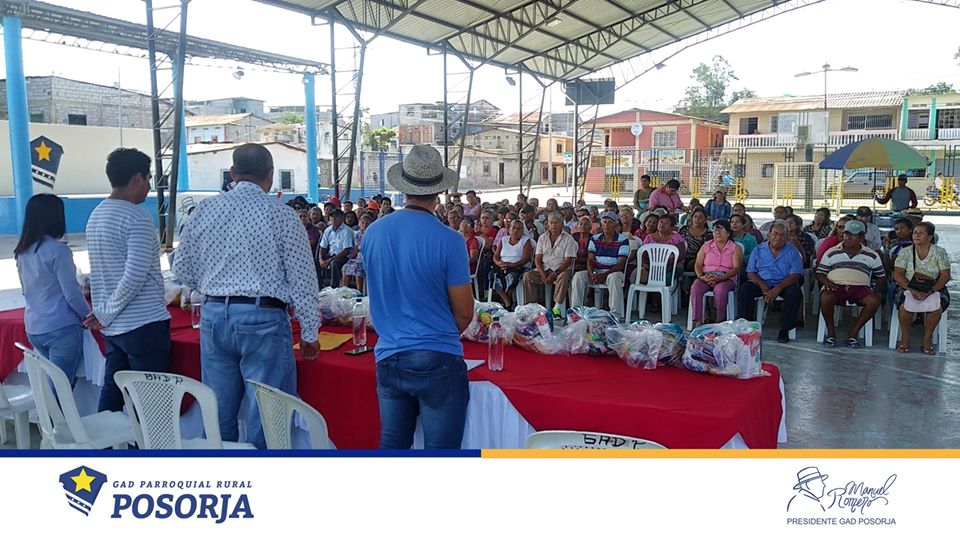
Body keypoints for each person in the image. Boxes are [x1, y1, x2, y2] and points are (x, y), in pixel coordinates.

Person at [173, 144, 320, 448]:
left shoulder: (204, 210)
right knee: (265, 411)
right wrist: (309, 332)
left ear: (232, 173)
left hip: (214, 315)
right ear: (271, 175)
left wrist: (213, 287)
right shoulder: (282, 215)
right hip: (262, 318)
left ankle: (221, 464)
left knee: (218, 406)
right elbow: (303, 280)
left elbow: (182, 268)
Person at [362, 144, 474, 449]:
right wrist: (437, 334)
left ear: (404, 187)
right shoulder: (449, 240)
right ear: (438, 191)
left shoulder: (373, 233)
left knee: (393, 446)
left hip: (389, 353)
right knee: (441, 454)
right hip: (437, 354)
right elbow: (465, 313)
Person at [86, 148, 171, 413]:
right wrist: (105, 312)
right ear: (137, 178)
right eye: (148, 178)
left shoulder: (96, 214)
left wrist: (105, 313)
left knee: (113, 393)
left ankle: (103, 438)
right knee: (151, 404)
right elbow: (134, 276)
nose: (149, 186)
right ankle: (146, 441)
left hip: (114, 327)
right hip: (142, 324)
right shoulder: (136, 217)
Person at [15, 194, 90, 386]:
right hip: (62, 328)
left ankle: (47, 407)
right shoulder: (59, 250)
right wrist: (89, 316)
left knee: (49, 387)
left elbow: (26, 290)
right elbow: (71, 294)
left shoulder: (22, 252)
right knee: (60, 389)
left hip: (34, 327)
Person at [816, 220, 885, 348]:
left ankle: (853, 333)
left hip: (860, 288)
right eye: (846, 233)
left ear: (862, 237)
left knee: (874, 301)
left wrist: (875, 290)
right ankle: (831, 333)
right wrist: (827, 282)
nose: (847, 237)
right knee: (826, 297)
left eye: (853, 235)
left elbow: (881, 276)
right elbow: (820, 272)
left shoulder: (872, 255)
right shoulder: (832, 252)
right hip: (836, 285)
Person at [737, 222, 803, 343]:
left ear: (787, 237)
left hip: (783, 283)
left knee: (795, 292)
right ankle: (745, 328)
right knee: (745, 289)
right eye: (775, 234)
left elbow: (795, 275)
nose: (778, 237)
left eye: (782, 235)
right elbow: (750, 273)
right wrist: (763, 287)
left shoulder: (792, 251)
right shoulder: (758, 250)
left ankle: (785, 329)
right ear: (769, 235)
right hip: (761, 282)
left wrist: (778, 288)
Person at [892, 222, 951, 354]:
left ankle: (927, 338)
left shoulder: (939, 252)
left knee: (937, 306)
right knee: (904, 306)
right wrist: (911, 290)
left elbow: (945, 276)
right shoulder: (905, 252)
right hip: (908, 286)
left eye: (921, 233)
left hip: (934, 287)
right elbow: (898, 274)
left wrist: (931, 291)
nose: (916, 235)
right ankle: (905, 337)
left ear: (930, 237)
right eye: (915, 233)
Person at [570, 212, 629, 318]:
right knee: (578, 276)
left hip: (614, 271)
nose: (606, 225)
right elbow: (590, 259)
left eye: (610, 222)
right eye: (604, 222)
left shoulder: (623, 240)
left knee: (613, 278)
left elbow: (621, 264)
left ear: (616, 225)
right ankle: (576, 312)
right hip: (597, 271)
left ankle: (615, 315)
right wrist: (591, 273)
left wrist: (604, 274)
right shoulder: (595, 238)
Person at [690, 219, 743, 328]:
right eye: (715, 230)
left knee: (720, 290)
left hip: (726, 278)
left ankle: (719, 321)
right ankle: (698, 321)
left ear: (728, 233)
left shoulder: (735, 248)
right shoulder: (706, 246)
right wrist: (701, 276)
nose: (717, 232)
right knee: (696, 287)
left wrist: (722, 277)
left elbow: (737, 267)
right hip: (707, 276)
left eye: (720, 229)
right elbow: (698, 264)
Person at [523, 212, 577, 316]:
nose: (553, 225)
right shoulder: (542, 237)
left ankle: (557, 307)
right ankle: (532, 308)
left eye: (556, 223)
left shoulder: (568, 238)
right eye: (551, 222)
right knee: (528, 276)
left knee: (563, 277)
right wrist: (542, 273)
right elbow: (537, 258)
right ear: (547, 224)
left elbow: (568, 260)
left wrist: (555, 273)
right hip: (545, 268)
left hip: (561, 269)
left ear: (562, 224)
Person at [489, 221, 534, 310]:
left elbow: (526, 258)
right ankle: (507, 300)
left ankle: (507, 299)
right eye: (513, 228)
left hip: (518, 266)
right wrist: (499, 263)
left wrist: (512, 265)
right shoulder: (504, 240)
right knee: (493, 275)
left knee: (512, 276)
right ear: (509, 230)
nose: (515, 231)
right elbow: (496, 256)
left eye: (519, 229)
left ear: (522, 231)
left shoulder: (526, 240)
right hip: (502, 265)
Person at [318, 209, 355, 288]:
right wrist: (321, 259)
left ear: (342, 218)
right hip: (331, 255)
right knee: (315, 261)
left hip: (344, 256)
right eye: (332, 217)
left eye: (336, 217)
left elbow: (346, 250)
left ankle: (334, 287)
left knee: (334, 263)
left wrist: (330, 260)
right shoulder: (328, 230)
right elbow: (323, 246)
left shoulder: (347, 231)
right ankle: (319, 286)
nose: (333, 219)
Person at [342, 213, 373, 290]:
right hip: (357, 256)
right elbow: (355, 247)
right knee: (346, 266)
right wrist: (352, 256)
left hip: (367, 256)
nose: (364, 225)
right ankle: (345, 289)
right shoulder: (356, 233)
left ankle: (359, 291)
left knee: (357, 268)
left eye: (367, 223)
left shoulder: (372, 234)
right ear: (359, 223)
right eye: (363, 223)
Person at [679, 207, 710, 273]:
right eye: (695, 216)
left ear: (705, 220)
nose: (697, 219)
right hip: (681, 257)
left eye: (700, 217)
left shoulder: (708, 234)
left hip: (697, 259)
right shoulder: (684, 229)